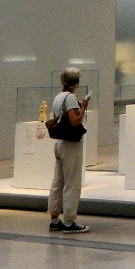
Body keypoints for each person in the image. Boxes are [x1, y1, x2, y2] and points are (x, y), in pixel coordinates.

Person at [48, 68, 90, 233]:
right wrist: (83, 107)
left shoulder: (58, 97)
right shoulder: (71, 98)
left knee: (58, 181)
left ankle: (54, 218)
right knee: (72, 183)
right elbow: (74, 121)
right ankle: (69, 221)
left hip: (59, 143)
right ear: (75, 82)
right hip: (70, 144)